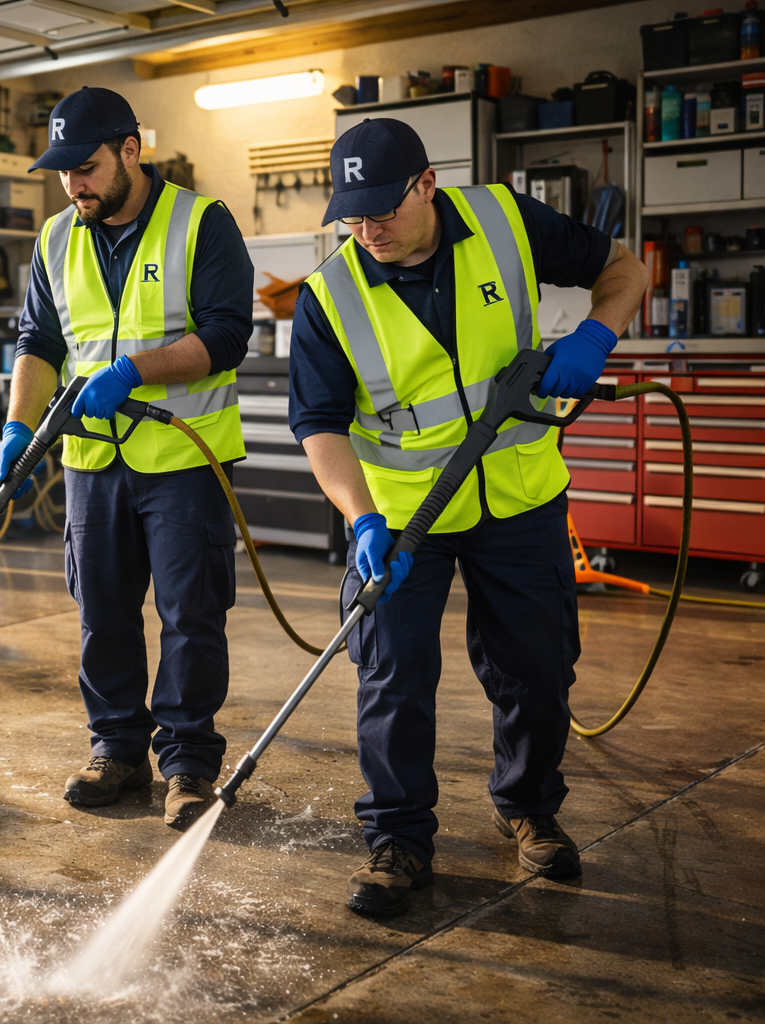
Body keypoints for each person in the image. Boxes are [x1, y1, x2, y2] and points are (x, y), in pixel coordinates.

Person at [290, 118, 647, 914]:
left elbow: (625, 270)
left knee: (538, 668)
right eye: (350, 214)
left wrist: (596, 334)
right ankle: (398, 839)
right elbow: (318, 425)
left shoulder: (504, 220)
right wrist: (361, 520)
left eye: (381, 208)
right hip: (403, 517)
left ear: (427, 184)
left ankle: (529, 807)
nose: (366, 229)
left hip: (518, 496)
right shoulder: (331, 295)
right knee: (392, 675)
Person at [0, 87, 254, 829]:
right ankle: (116, 749)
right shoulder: (55, 238)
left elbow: (230, 335)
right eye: (63, 169)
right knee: (101, 612)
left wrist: (136, 371)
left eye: (87, 165)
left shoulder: (202, 222)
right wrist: (17, 429)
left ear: (130, 152)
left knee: (190, 616)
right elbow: (38, 344)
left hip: (183, 457)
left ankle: (188, 764)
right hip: (90, 462)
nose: (73, 181)